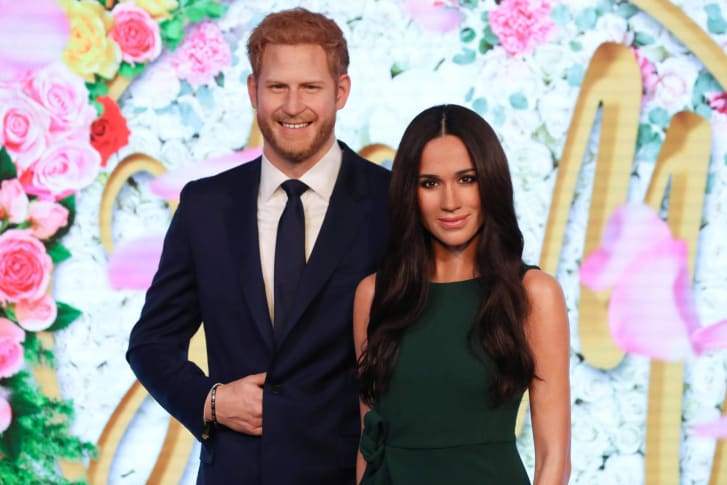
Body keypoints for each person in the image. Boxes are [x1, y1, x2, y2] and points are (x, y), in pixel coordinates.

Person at [126, 8, 390, 484]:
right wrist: (210, 401)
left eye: (310, 87)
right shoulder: (205, 206)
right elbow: (151, 343)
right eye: (276, 87)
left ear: (341, 91)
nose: (293, 106)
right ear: (253, 91)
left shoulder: (391, 203)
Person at [353, 105, 571, 484]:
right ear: (410, 191)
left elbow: (554, 458)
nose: (450, 201)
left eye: (467, 179)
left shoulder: (534, 294)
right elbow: (368, 444)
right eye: (430, 183)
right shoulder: (375, 295)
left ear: (491, 182)